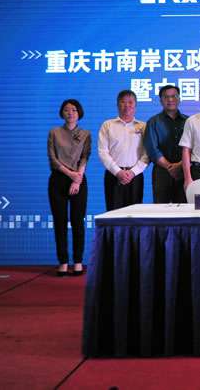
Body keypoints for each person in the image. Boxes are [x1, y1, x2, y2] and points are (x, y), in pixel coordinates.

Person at [47, 99, 91, 276]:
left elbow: (85, 157)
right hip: (58, 179)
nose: (70, 113)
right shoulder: (54, 132)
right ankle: (63, 261)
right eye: (66, 110)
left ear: (79, 113)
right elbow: (52, 158)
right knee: (60, 221)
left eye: (74, 110)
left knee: (78, 221)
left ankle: (78, 261)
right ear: (61, 113)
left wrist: (77, 179)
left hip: (78, 180)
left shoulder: (86, 134)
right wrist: (70, 174)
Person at [98, 90, 149, 211]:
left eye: (130, 102)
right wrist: (118, 172)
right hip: (113, 175)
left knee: (135, 214)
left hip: (135, 176)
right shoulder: (107, 125)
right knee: (113, 214)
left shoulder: (143, 126)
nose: (127, 105)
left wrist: (133, 172)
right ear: (117, 104)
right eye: (123, 102)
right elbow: (103, 152)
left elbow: (147, 154)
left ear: (135, 105)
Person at [144, 85, 188, 203]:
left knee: (184, 208)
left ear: (179, 99)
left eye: (173, 96)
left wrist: (179, 165)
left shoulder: (189, 121)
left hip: (184, 171)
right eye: (166, 97)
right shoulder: (153, 122)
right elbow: (152, 150)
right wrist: (169, 167)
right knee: (161, 209)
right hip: (161, 173)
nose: (170, 100)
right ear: (160, 101)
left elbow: (192, 147)